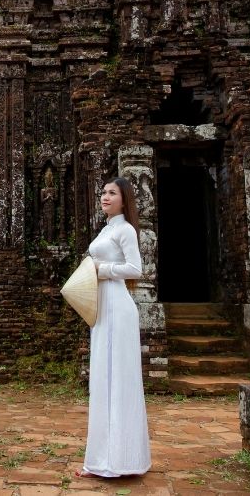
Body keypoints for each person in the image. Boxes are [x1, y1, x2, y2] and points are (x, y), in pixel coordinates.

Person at [77, 177, 152, 478]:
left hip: (118, 309)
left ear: (124, 199)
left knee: (120, 381)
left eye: (112, 193)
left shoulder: (125, 230)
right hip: (102, 309)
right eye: (103, 192)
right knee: (103, 380)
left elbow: (136, 269)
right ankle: (101, 458)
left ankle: (123, 459)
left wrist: (101, 269)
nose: (105, 197)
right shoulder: (107, 229)